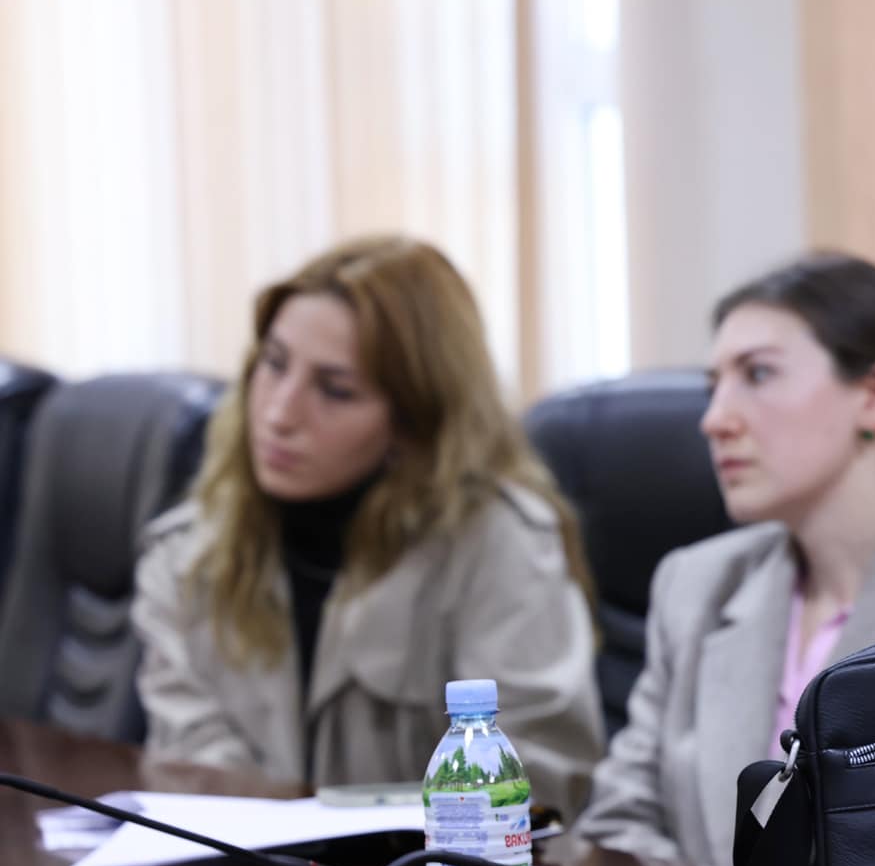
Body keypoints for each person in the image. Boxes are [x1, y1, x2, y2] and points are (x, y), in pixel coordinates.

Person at [576, 253, 875, 866]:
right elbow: (615, 826)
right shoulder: (696, 585)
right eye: (713, 386)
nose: (713, 420)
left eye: (758, 374)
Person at [135, 236, 605, 813]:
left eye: (335, 390)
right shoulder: (186, 554)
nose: (279, 413)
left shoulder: (500, 545)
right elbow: (193, 768)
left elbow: (540, 777)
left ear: (415, 422)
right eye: (274, 364)